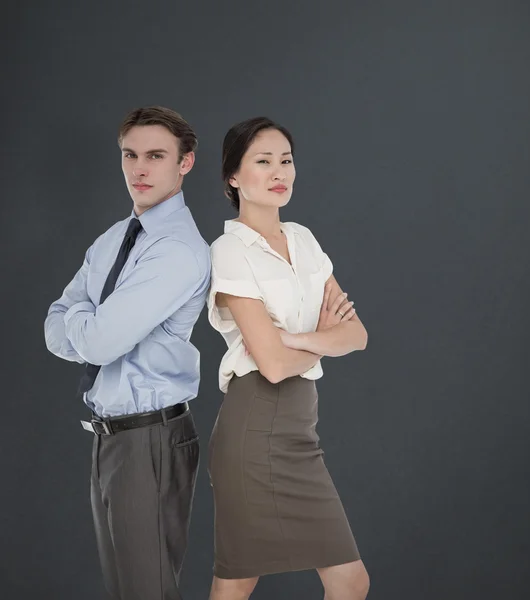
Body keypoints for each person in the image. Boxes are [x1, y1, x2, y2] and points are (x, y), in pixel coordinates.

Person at [44, 106, 211, 600]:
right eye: (130, 155)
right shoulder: (113, 239)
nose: (139, 168)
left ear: (185, 163)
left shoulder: (178, 249)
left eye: (156, 156)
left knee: (147, 591)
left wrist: (88, 322)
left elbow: (94, 341)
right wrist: (90, 323)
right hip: (110, 437)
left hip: (151, 439)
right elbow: (53, 324)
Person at [206, 116, 370, 600]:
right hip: (255, 427)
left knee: (347, 580)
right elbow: (272, 367)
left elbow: (357, 334)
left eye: (286, 160)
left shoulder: (303, 239)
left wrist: (299, 339)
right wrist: (320, 337)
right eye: (263, 161)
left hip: (300, 430)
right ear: (233, 177)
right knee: (239, 581)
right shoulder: (229, 250)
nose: (280, 172)